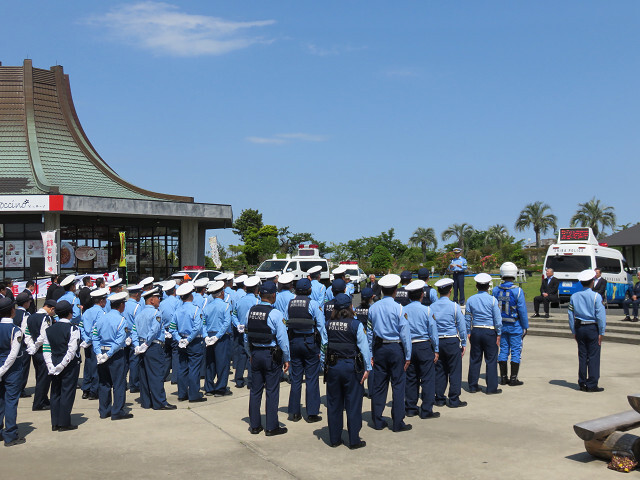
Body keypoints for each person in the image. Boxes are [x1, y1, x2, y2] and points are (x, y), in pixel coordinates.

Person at [325, 293, 371, 449]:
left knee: (334, 403)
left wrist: (324, 366)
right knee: (353, 403)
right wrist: (367, 368)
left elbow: (324, 346)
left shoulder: (328, 324)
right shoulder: (356, 324)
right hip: (351, 367)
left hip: (333, 367)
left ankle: (334, 439)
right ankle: (353, 440)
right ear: (351, 307)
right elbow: (364, 348)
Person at [244, 280, 290, 436]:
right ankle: (271, 427)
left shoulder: (250, 312)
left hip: (256, 354)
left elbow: (246, 337)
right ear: (273, 295)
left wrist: (250, 354)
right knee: (272, 391)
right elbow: (283, 340)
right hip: (271, 356)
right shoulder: (276, 314)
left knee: (255, 391)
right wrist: (286, 358)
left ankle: (255, 426)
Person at [367, 274, 412, 432]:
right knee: (398, 385)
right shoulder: (400, 308)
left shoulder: (373, 308)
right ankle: (398, 422)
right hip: (396, 348)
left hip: (379, 349)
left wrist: (370, 353)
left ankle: (377, 420)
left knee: (379, 385)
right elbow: (405, 334)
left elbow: (369, 333)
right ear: (395, 291)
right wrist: (408, 355)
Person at [285, 278, 327, 423]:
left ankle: (294, 413)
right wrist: (323, 347)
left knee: (296, 378)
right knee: (311, 378)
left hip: (294, 342)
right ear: (309, 290)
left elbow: (286, 323)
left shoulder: (290, 304)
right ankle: (312, 413)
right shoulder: (313, 304)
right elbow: (321, 326)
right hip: (310, 343)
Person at [92, 291, 133, 420]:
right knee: (118, 383)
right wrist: (109, 354)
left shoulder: (101, 319)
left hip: (102, 353)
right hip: (115, 355)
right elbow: (120, 340)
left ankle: (104, 411)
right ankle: (117, 411)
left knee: (104, 383)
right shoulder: (121, 320)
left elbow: (95, 337)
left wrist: (99, 353)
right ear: (121, 305)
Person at [403, 280, 440, 419]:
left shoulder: (403, 310)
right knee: (427, 378)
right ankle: (426, 410)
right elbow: (433, 331)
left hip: (409, 346)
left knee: (411, 377)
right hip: (424, 345)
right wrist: (436, 349)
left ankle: (411, 408)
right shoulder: (427, 310)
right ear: (422, 295)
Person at [134, 287, 176, 410]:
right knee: (157, 375)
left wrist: (138, 345)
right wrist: (147, 343)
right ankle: (160, 402)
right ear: (151, 300)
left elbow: (134, 331)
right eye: (157, 298)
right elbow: (154, 330)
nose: (159, 300)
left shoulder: (139, 314)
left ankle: (146, 402)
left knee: (145, 375)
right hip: (153, 346)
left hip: (142, 347)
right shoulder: (156, 313)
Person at [42, 300, 81, 431]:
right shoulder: (73, 328)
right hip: (68, 366)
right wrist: (61, 366)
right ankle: (64, 422)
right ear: (69, 313)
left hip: (53, 363)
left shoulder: (49, 329)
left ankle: (55, 422)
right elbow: (71, 351)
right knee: (67, 393)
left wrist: (50, 365)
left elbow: (46, 349)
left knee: (55, 392)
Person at [431, 278, 467, 408]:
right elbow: (462, 327)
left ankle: (439, 398)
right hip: (452, 340)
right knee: (454, 370)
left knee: (439, 370)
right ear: (450, 291)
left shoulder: (432, 307)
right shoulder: (455, 306)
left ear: (438, 291)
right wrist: (463, 342)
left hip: (438, 341)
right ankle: (454, 399)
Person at [568, 269, 607, 392]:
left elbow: (570, 314)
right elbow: (600, 316)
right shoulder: (596, 296)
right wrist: (601, 332)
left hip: (579, 327)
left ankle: (582, 382)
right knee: (594, 356)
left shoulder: (574, 296)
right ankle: (592, 384)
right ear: (592, 282)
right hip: (592, 328)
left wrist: (573, 330)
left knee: (582, 355)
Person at [465, 273, 502, 395]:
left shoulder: (470, 300)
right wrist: (499, 333)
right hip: (489, 330)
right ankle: (491, 388)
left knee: (475, 358)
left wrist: (468, 332)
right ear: (488, 286)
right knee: (491, 359)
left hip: (476, 330)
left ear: (476, 285)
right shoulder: (492, 300)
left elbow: (467, 318)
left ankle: (472, 385)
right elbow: (497, 319)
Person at [493, 262, 528, 386]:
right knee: (516, 351)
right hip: (515, 325)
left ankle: (503, 378)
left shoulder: (495, 290)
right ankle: (513, 378)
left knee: (503, 351)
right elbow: (522, 310)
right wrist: (525, 326)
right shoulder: (518, 291)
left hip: (501, 325)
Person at [170, 283, 206, 403]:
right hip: (194, 341)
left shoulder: (177, 311)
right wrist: (188, 340)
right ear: (191, 295)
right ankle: (194, 394)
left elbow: (172, 328)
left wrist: (180, 339)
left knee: (182, 368)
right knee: (194, 368)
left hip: (181, 341)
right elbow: (197, 328)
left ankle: (182, 393)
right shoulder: (196, 309)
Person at [0, 297, 26, 446]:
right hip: (12, 370)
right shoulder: (15, 330)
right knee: (11, 401)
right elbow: (13, 355)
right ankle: (10, 435)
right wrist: (2, 370)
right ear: (12, 311)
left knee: (1, 400)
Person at [24, 299, 56, 410]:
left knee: (40, 376)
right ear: (51, 308)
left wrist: (31, 346)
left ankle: (43, 398)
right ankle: (38, 403)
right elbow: (44, 335)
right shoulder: (46, 318)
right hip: (43, 350)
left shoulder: (31, 317)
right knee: (44, 377)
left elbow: (26, 333)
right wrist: (36, 346)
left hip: (35, 351)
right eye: (54, 311)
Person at [202, 281, 232, 397]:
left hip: (209, 336)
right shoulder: (226, 306)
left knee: (210, 363)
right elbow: (226, 323)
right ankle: (220, 388)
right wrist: (218, 336)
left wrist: (206, 336)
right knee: (222, 363)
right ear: (222, 293)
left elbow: (203, 324)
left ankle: (209, 388)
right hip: (222, 337)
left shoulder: (207, 307)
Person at [80, 289, 108, 400]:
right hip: (96, 343)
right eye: (104, 300)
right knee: (96, 367)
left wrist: (86, 339)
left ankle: (85, 389)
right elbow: (97, 329)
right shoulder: (101, 312)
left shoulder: (87, 312)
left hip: (87, 343)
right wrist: (92, 339)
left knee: (88, 366)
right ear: (101, 301)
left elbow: (81, 327)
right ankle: (94, 391)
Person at [233, 276, 261, 389]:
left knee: (242, 355)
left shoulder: (240, 301)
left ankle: (239, 380)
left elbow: (233, 314)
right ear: (256, 289)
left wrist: (238, 324)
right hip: (254, 331)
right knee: (252, 355)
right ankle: (251, 380)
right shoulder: (257, 301)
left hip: (241, 331)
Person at [354, 287, 374, 397]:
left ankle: (360, 389)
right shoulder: (372, 309)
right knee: (370, 364)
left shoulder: (356, 309)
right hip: (369, 339)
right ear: (372, 297)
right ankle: (371, 391)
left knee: (360, 365)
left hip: (359, 338)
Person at [123, 284, 143, 394]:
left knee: (124, 361)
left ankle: (122, 383)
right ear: (136, 294)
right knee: (134, 361)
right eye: (139, 294)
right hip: (133, 336)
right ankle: (134, 384)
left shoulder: (124, 305)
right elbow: (138, 324)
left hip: (123, 337)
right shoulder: (137, 307)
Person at [13, 292, 32, 398]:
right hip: (23, 345)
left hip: (11, 343)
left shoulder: (12, 312)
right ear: (25, 303)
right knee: (23, 367)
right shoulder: (26, 315)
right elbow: (26, 331)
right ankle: (20, 389)